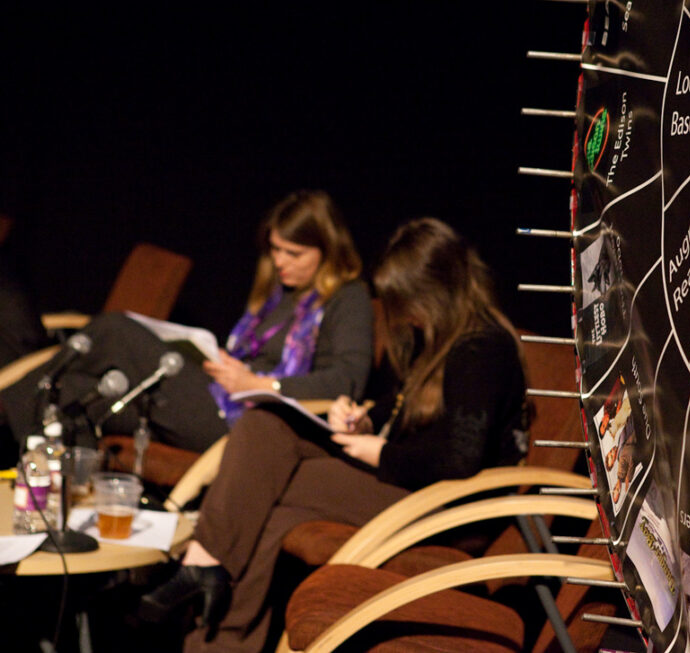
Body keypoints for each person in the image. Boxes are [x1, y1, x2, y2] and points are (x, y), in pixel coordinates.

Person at [138, 217, 529, 651]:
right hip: (405, 482)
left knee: (274, 489)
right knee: (264, 427)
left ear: (434, 294)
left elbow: (461, 456)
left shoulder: (482, 349)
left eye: (404, 300)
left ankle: (207, 588)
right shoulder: (436, 337)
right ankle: (205, 566)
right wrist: (365, 418)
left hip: (444, 505)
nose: (399, 313)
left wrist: (380, 452)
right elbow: (407, 405)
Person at [0, 190, 373, 455]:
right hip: (216, 396)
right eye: (275, 250)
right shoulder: (280, 296)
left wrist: (261, 384)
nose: (280, 262)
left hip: (248, 422)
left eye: (293, 253)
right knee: (73, 393)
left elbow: (345, 380)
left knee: (116, 329)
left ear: (329, 249)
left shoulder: (348, 298)